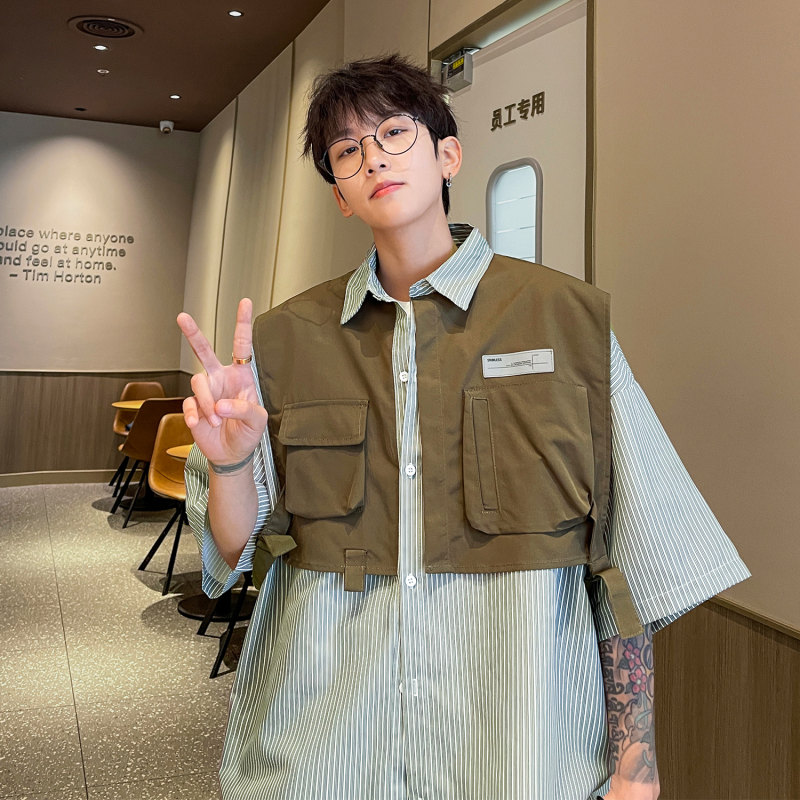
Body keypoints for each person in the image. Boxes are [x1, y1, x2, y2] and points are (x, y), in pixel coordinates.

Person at [178, 55, 749, 800]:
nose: (373, 156)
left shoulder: (565, 322)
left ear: (448, 154)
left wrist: (635, 767)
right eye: (347, 150)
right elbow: (229, 551)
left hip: (518, 759)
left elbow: (629, 564)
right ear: (341, 196)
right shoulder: (284, 343)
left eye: (394, 132)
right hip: (328, 760)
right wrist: (230, 463)